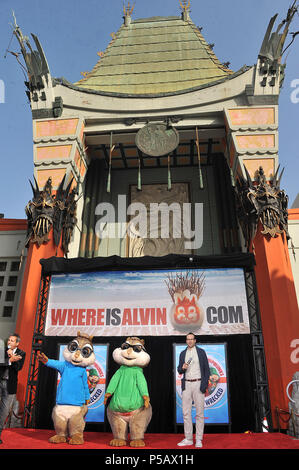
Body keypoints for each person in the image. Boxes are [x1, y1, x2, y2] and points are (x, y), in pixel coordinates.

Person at [177, 332, 210, 448]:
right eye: (188, 339)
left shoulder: (201, 352)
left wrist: (204, 385)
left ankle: (199, 439)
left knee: (200, 413)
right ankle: (188, 439)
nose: (190, 341)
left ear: (195, 340)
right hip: (186, 384)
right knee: (186, 413)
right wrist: (182, 368)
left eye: (192, 339)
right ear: (186, 341)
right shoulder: (182, 353)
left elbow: (207, 370)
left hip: (198, 383)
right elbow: (179, 370)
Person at [0, 333, 26, 444]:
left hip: (10, 385)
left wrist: (11, 357)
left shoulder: (21, 353)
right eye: (9, 340)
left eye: (12, 340)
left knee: (4, 411)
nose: (9, 342)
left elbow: (18, 367)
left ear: (17, 343)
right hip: (0, 380)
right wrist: (11, 360)